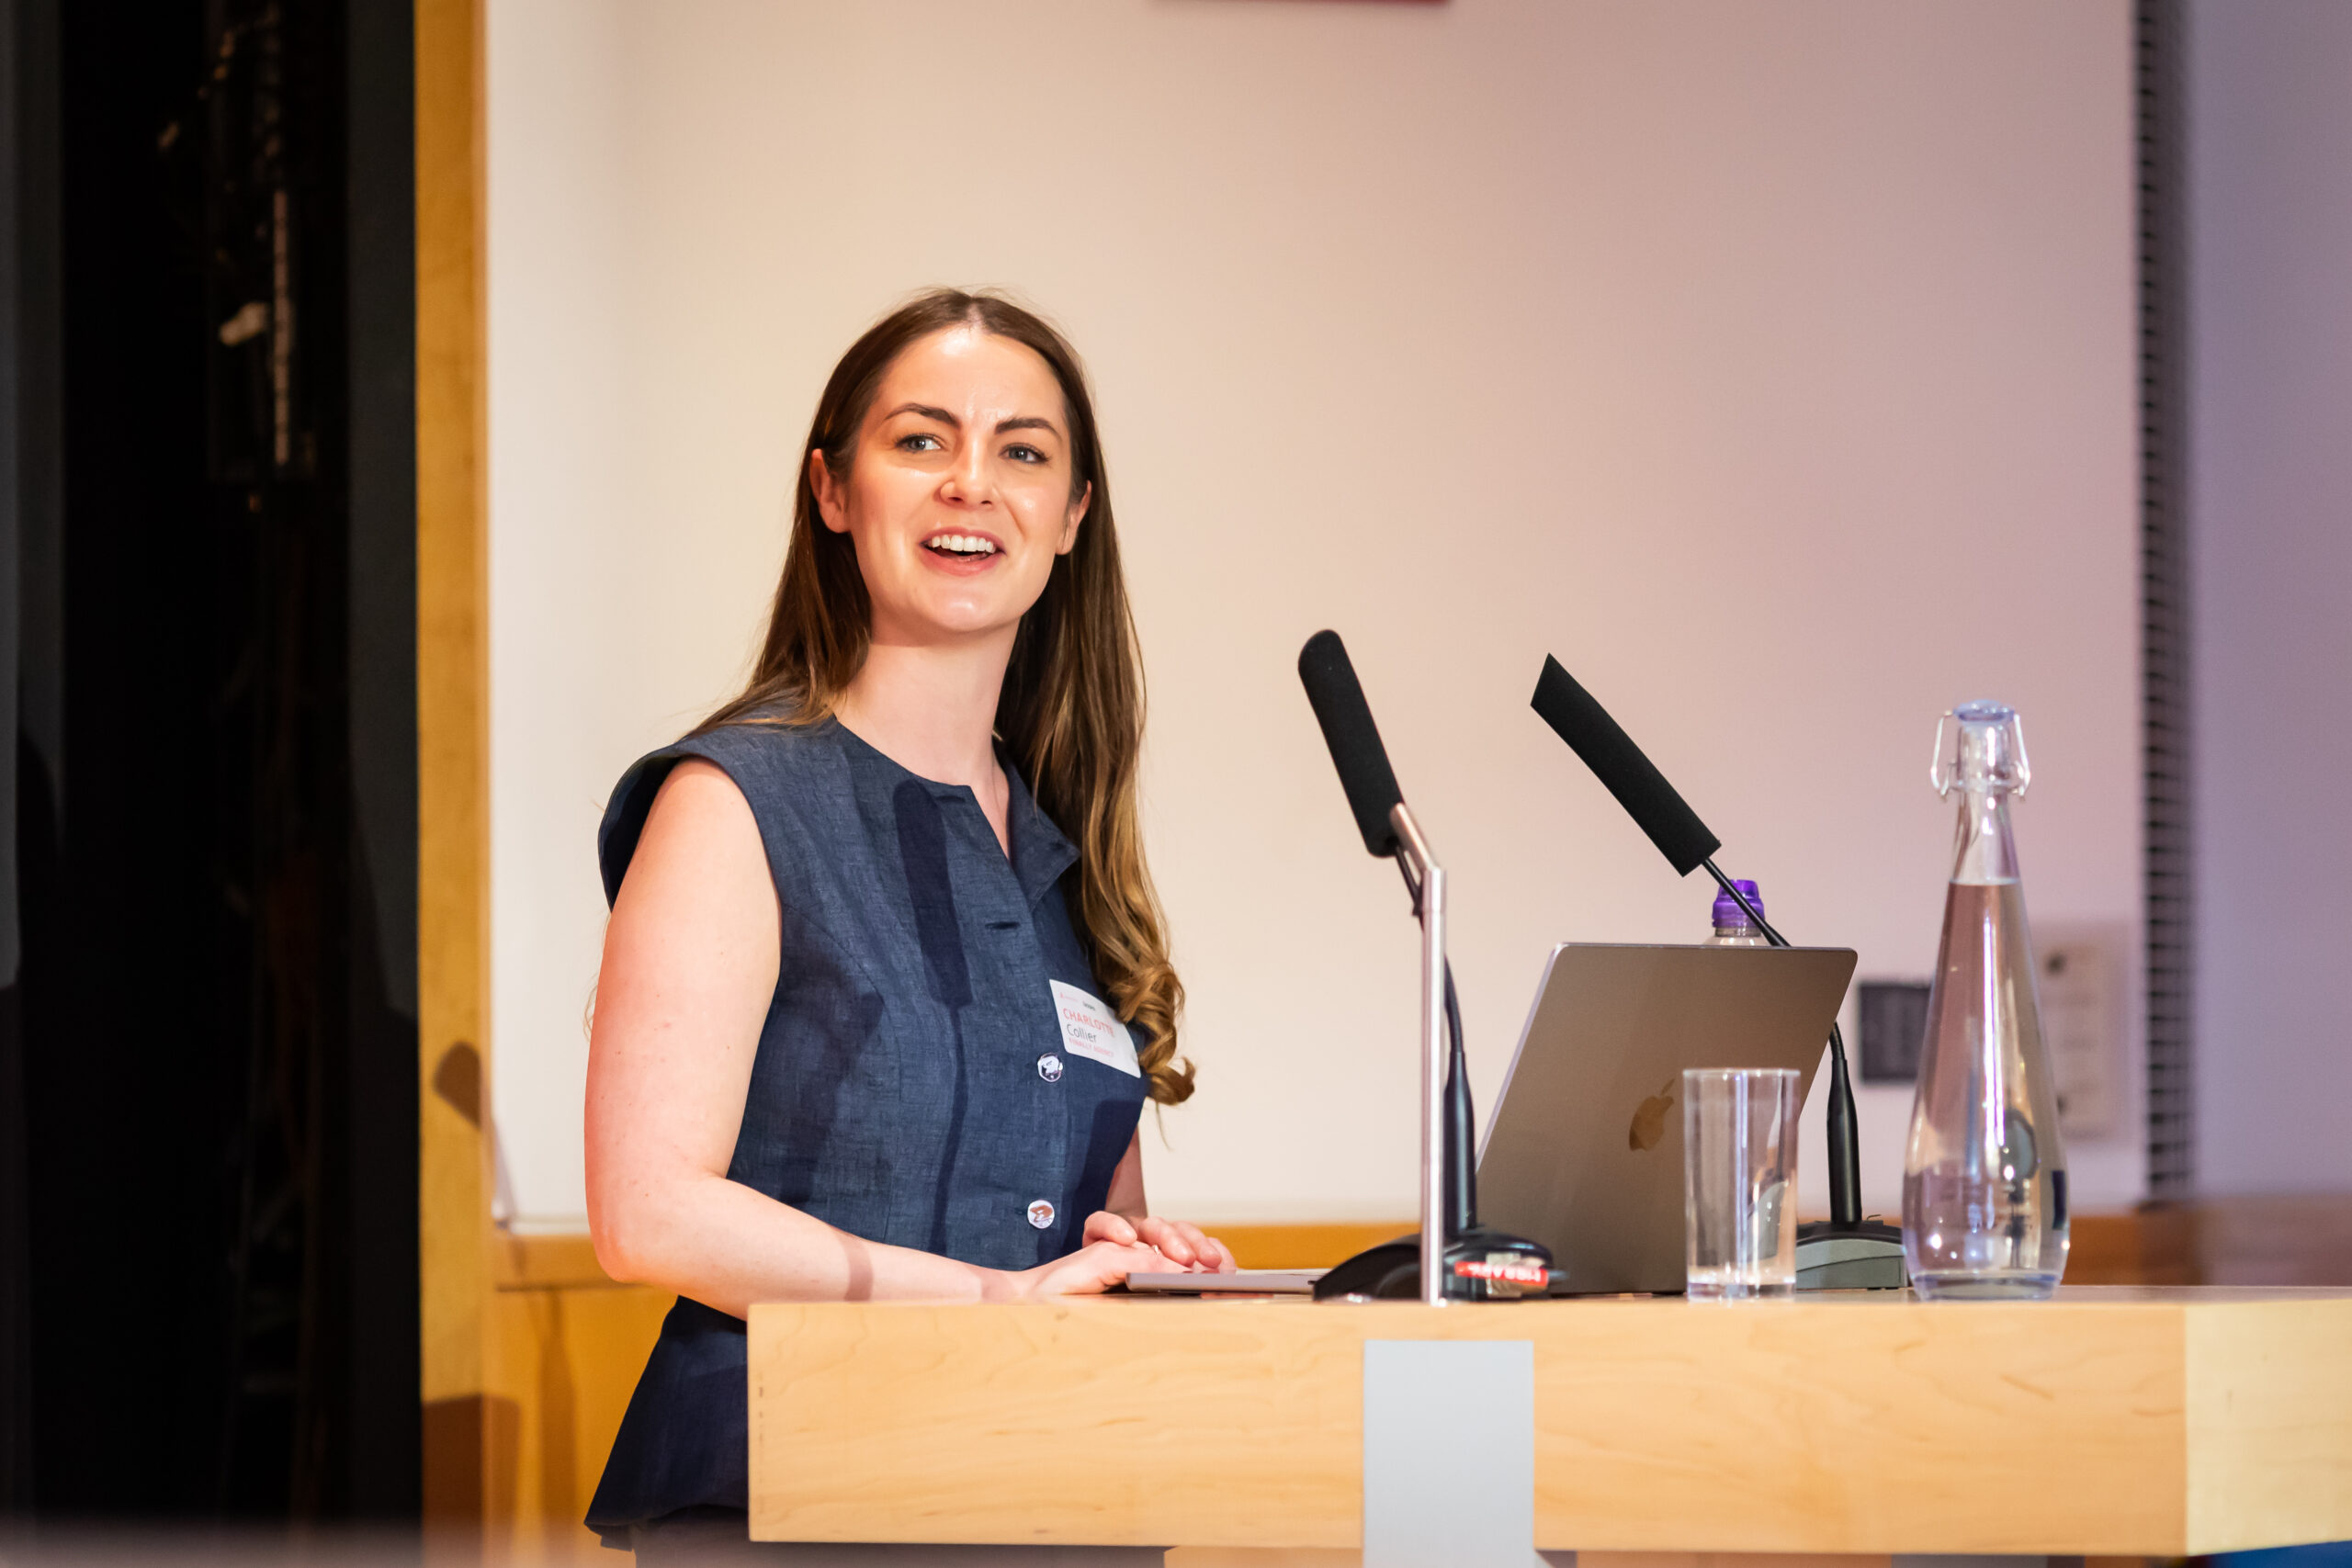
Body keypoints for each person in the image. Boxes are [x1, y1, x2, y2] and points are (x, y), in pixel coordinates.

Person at [582, 289, 1235, 1559]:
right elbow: (646, 1212)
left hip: (1062, 1492)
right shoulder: (735, 801)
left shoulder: (1065, 856)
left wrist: (1131, 1254)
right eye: (923, 441)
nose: (972, 486)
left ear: (1073, 518)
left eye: (1023, 453)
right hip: (803, 1498)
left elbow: (1077, 1218)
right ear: (834, 490)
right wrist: (991, 1300)